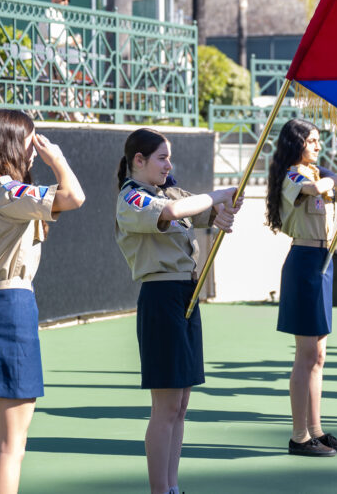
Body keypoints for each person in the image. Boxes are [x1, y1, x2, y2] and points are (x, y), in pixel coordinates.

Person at [0, 109, 85, 494]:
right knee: (12, 446)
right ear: (12, 143)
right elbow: (74, 196)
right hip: (9, 309)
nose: (34, 151)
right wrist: (57, 159)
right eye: (30, 142)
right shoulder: (4, 190)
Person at [114, 128, 239, 494]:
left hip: (186, 293)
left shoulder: (168, 190)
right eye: (162, 158)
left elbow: (205, 212)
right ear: (139, 160)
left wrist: (226, 206)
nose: (169, 165)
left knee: (181, 404)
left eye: (169, 157)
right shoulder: (132, 197)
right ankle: (160, 489)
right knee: (166, 406)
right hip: (161, 296)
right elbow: (172, 212)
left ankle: (172, 486)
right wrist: (215, 195)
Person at [265, 119, 337, 457]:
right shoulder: (294, 175)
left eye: (319, 140)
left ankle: (316, 430)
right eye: (312, 140)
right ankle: (298, 435)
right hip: (305, 261)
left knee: (319, 354)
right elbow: (319, 189)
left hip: (323, 260)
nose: (318, 146)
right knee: (306, 354)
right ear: (297, 144)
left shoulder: (319, 173)